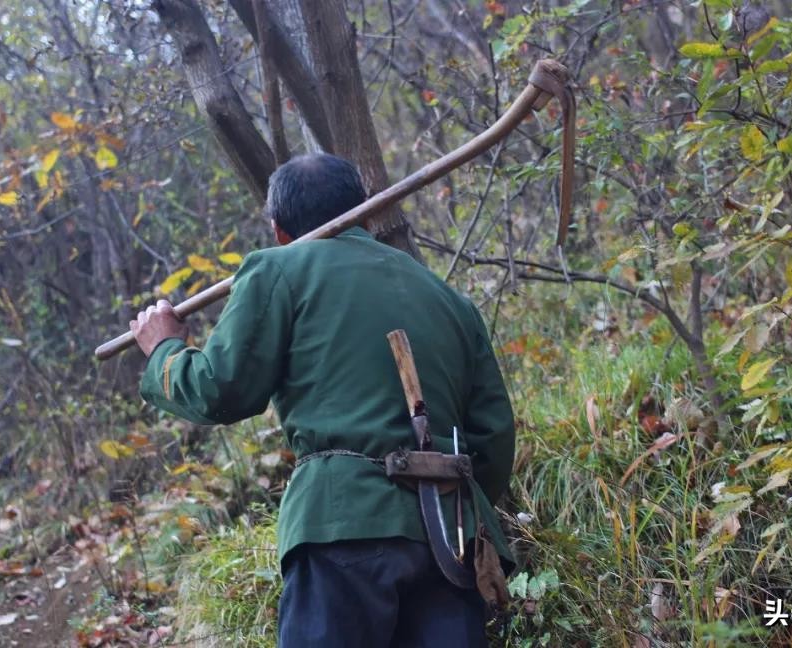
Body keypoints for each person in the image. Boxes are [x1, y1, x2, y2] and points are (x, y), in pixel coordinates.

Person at [129, 153, 515, 647]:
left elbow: (218, 390)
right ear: (364, 211)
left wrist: (163, 350)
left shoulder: (278, 269)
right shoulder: (449, 299)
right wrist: (450, 504)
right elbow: (493, 438)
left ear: (278, 230)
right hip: (450, 539)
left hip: (342, 526)